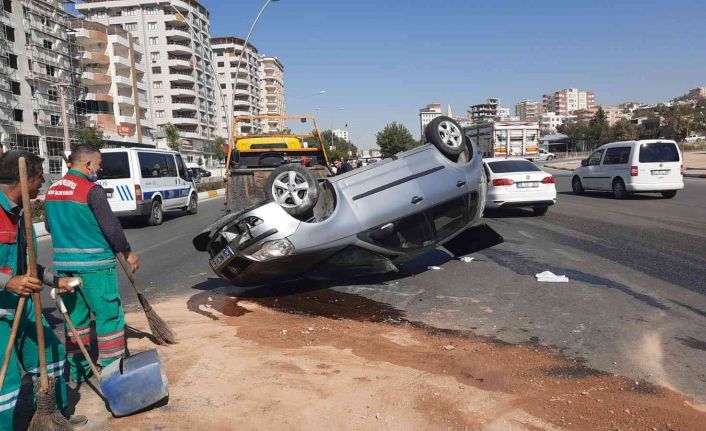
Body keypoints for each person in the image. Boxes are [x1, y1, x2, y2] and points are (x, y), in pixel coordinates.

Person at [0, 151, 86, 430]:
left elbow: (26, 264)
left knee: (52, 354)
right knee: (8, 381)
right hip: (2, 312)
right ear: (25, 180)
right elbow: (10, 274)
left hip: (25, 306)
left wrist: (53, 280)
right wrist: (7, 283)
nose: (42, 186)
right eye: (39, 179)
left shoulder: (20, 214)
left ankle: (53, 416)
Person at [44, 144, 140, 383]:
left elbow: (48, 226)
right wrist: (127, 252)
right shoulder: (91, 190)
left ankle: (78, 371)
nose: (99, 169)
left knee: (76, 321)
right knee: (109, 317)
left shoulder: (52, 190)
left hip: (64, 268)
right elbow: (110, 227)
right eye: (98, 164)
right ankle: (113, 371)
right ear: (87, 164)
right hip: (96, 265)